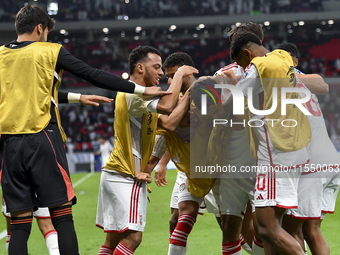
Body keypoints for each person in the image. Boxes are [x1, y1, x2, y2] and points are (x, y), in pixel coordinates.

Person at [0, 5, 169, 255]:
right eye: (46, 31)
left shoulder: (2, 55)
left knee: (20, 224)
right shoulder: (49, 50)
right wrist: (142, 90)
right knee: (62, 216)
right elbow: (92, 73)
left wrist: (79, 98)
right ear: (39, 28)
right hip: (42, 139)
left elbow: (37, 95)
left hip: (9, 146)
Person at [215, 32, 311, 255]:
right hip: (294, 147)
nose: (243, 67)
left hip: (274, 152)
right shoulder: (283, 58)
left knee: (266, 229)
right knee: (276, 227)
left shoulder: (258, 67)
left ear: (247, 54)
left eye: (242, 62)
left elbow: (235, 100)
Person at [95, 45, 198, 255]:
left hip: (114, 173)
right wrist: (179, 76)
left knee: (112, 240)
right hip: (126, 175)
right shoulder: (133, 94)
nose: (161, 73)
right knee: (133, 237)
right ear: (141, 68)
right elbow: (169, 108)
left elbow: (168, 124)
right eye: (157, 67)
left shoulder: (138, 97)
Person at [276, 42, 339, 255]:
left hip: (311, 165)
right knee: (312, 229)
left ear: (294, 62)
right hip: (330, 158)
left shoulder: (280, 84)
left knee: (292, 229)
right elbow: (323, 85)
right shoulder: (307, 82)